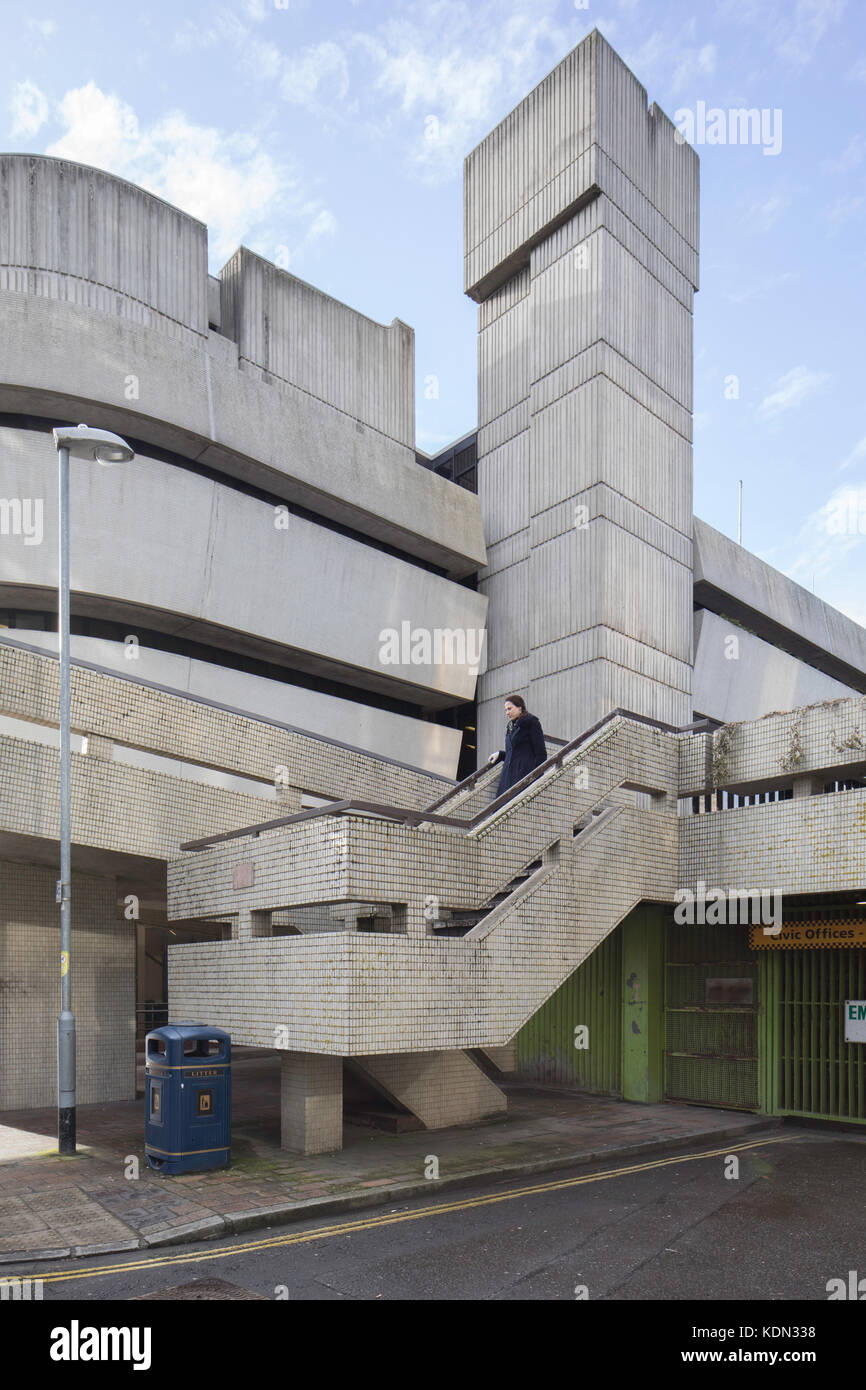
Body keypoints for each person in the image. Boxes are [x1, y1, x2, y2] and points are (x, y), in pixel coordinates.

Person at [487, 695, 547, 798]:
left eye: (510, 708)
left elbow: (541, 753)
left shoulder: (531, 722)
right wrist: (500, 755)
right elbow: (515, 753)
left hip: (523, 775)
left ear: (520, 708)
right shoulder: (510, 727)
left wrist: (535, 776)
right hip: (508, 777)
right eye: (506, 710)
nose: (507, 713)